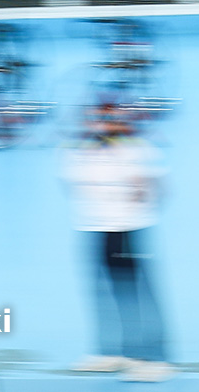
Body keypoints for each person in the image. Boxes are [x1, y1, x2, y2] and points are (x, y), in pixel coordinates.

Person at [63, 103, 174, 382]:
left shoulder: (138, 151)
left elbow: (159, 188)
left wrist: (135, 206)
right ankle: (111, 353)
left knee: (139, 295)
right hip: (93, 228)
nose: (102, 124)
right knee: (102, 293)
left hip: (128, 228)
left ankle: (155, 358)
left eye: (110, 119)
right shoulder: (77, 153)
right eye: (97, 119)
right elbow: (70, 186)